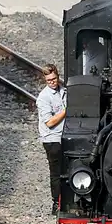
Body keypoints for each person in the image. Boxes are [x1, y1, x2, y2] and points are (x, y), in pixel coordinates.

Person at [37, 64, 67, 215]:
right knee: (56, 172)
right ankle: (56, 202)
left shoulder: (64, 91)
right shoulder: (43, 97)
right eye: (49, 80)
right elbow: (49, 122)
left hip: (64, 136)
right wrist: (66, 111)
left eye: (54, 79)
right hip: (52, 139)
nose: (52, 82)